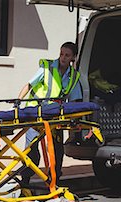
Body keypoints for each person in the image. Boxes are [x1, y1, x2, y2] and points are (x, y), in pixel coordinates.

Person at [17, 42, 82, 186]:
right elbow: (29, 85)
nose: (63, 58)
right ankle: (25, 181)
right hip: (35, 113)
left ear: (73, 58)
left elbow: (76, 100)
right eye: (61, 54)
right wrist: (18, 101)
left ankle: (55, 179)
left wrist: (76, 120)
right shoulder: (47, 68)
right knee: (31, 149)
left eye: (67, 55)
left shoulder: (73, 77)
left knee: (56, 150)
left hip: (54, 117)